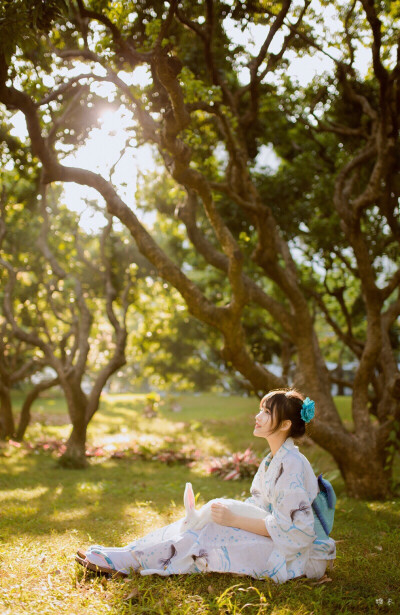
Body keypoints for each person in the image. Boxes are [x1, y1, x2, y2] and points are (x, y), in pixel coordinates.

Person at [75, 389, 336, 583]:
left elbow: (298, 532)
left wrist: (233, 518)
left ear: (286, 424)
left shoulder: (290, 464)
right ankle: (128, 554)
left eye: (267, 412)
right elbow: (258, 507)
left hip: (297, 555)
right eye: (261, 409)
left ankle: (128, 562)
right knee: (208, 519)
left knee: (210, 534)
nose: (257, 416)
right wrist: (220, 513)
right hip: (279, 540)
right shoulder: (273, 460)